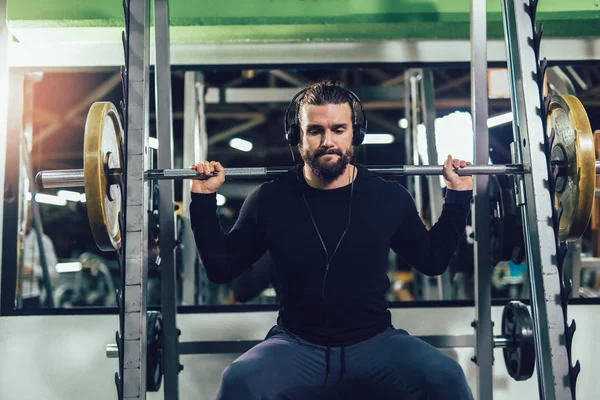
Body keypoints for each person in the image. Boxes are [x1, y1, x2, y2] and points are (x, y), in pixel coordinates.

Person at [189, 80, 474, 400]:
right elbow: (221, 268)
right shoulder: (269, 200)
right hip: (297, 345)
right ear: (297, 137)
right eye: (315, 131)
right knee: (239, 381)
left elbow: (432, 261)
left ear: (356, 134)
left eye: (338, 129)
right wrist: (202, 200)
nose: (328, 141)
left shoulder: (387, 196)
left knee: (447, 377)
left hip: (375, 343)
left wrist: (458, 198)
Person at [19, 204, 59, 308]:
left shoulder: (42, 240)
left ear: (31, 215)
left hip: (31, 297)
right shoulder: (6, 239)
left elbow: (54, 273)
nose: (23, 216)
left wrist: (33, 271)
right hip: (6, 295)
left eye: (26, 212)